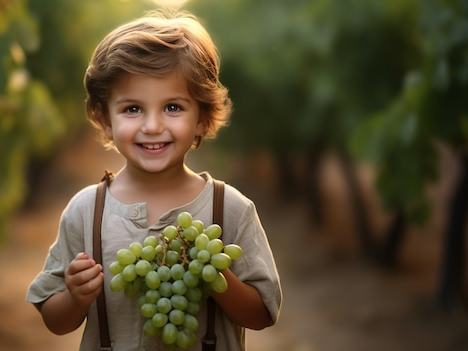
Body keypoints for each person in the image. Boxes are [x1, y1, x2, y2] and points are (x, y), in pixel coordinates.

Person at [26, 10, 282, 351]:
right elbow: (54, 321)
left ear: (203, 118)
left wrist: (212, 273)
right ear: (105, 120)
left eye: (173, 107)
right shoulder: (87, 210)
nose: (152, 126)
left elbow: (262, 314)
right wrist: (74, 297)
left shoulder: (230, 209)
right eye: (132, 109)